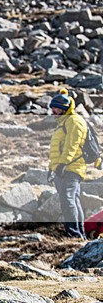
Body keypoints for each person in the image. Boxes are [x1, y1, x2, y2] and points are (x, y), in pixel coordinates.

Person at [48, 89, 87, 239]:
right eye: (52, 107)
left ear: (64, 107)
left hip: (71, 168)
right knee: (72, 200)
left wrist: (63, 164)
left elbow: (72, 145)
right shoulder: (63, 122)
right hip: (62, 168)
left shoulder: (74, 121)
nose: (53, 110)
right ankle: (79, 234)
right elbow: (58, 149)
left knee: (68, 200)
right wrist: (52, 168)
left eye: (55, 107)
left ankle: (75, 234)